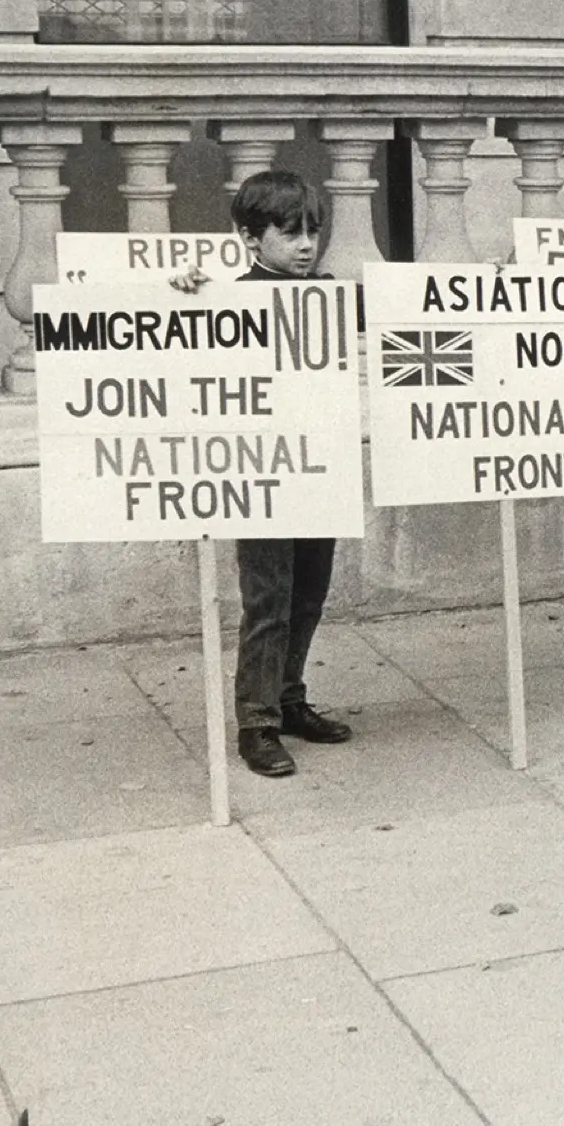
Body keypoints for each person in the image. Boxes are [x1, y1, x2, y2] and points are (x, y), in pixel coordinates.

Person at [215, 170, 356, 778]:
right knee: (268, 598)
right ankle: (257, 721)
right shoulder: (230, 299)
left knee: (308, 593)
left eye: (313, 232)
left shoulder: (327, 295)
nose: (306, 245)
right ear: (251, 238)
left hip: (317, 466)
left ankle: (289, 697)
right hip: (262, 475)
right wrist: (182, 292)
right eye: (289, 232)